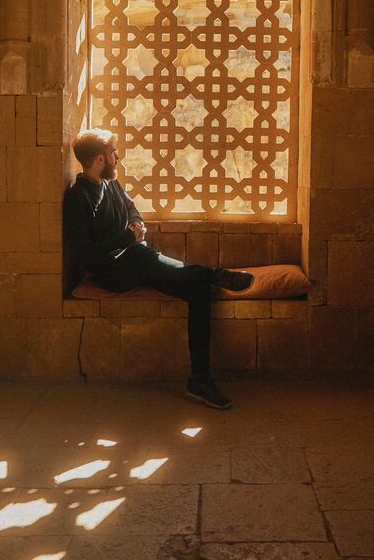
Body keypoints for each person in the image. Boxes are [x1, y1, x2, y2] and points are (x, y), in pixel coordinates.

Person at [63, 128, 253, 409]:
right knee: (144, 256)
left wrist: (137, 224)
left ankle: (199, 380)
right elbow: (85, 253)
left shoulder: (110, 184)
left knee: (197, 290)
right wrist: (128, 238)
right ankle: (214, 273)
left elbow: (131, 208)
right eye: (114, 153)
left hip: (135, 259)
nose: (118, 157)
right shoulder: (78, 197)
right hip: (110, 273)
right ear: (101, 159)